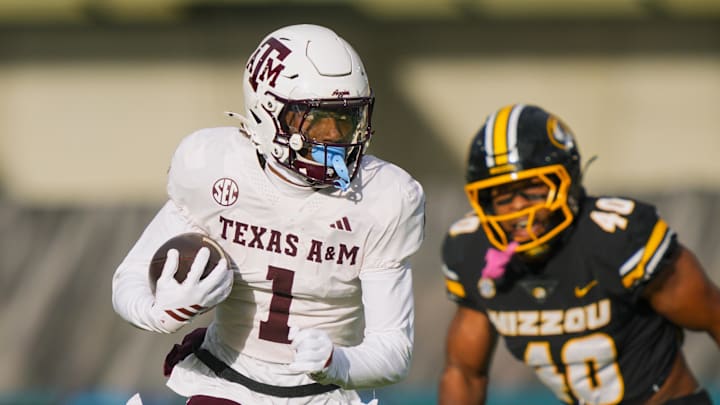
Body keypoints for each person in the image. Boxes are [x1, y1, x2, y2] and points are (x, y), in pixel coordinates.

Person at [112, 24, 425, 405]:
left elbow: (394, 351)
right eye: (314, 120)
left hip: (323, 395)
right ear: (266, 111)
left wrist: (337, 362)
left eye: (344, 120)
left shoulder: (384, 198)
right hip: (226, 381)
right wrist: (158, 311)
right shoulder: (215, 167)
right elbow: (129, 277)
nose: (333, 138)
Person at [438, 103, 720, 405]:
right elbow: (464, 373)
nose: (518, 206)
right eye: (503, 195)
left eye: (533, 189)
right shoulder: (473, 250)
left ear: (567, 182)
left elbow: (715, 316)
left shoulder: (615, 238)